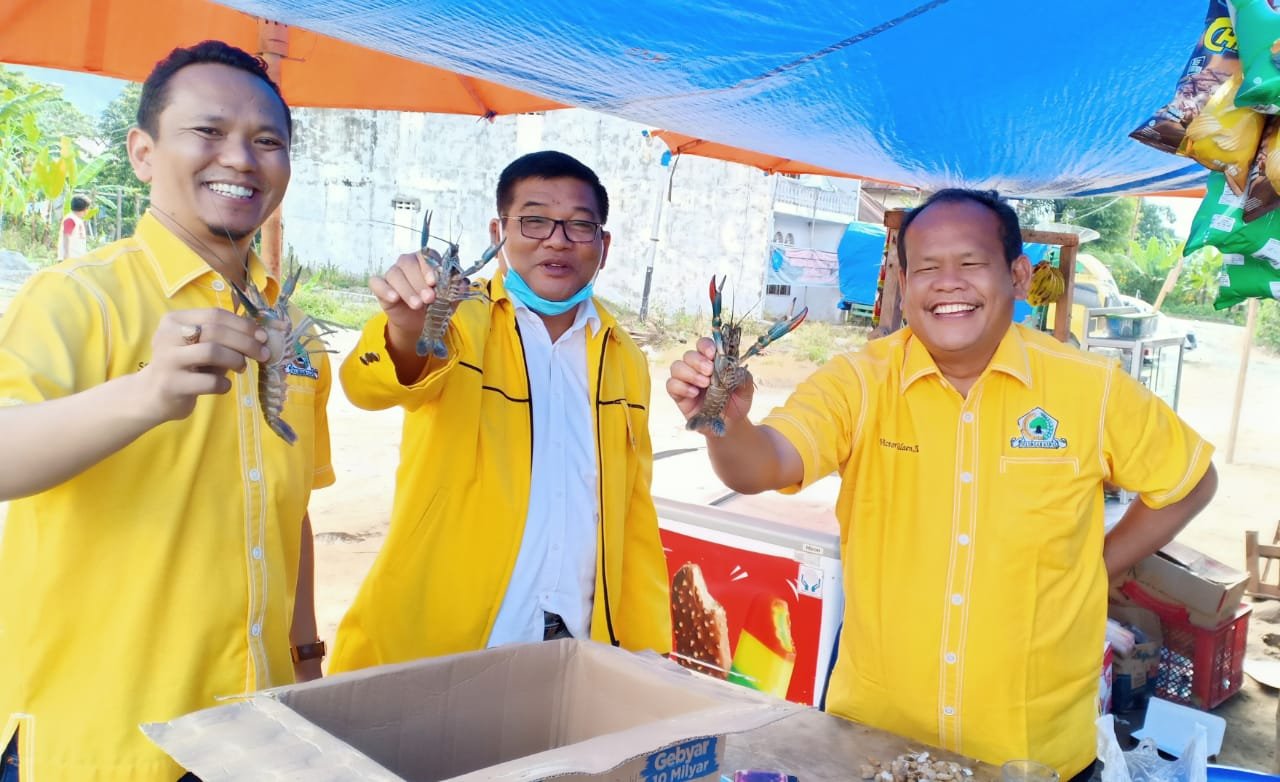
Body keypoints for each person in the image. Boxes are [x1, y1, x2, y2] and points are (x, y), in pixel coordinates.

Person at [666, 189, 1217, 779]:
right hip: (875, 743)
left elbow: (1189, 481)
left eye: (971, 264)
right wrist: (725, 421)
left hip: (1033, 754)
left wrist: (1098, 564)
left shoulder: (1092, 388)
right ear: (903, 283)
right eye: (926, 267)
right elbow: (762, 465)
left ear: (1019, 275)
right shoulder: (859, 381)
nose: (947, 283)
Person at [0, 41, 334, 781]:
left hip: (255, 728)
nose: (241, 158)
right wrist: (146, 394)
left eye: (267, 140)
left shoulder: (294, 327)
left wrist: (306, 661)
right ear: (143, 152)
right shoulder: (77, 297)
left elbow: (292, 504)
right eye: (209, 132)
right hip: (102, 734)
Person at [328, 150, 671, 672]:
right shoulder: (462, 321)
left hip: (577, 648)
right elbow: (369, 385)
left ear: (604, 246)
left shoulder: (626, 358)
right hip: (445, 648)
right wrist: (404, 328)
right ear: (498, 231)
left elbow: (633, 515)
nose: (556, 240)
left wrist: (648, 647)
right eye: (534, 220)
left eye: (580, 226)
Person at [57, 194, 91, 260]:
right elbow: (66, 236)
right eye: (87, 208)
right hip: (69, 258)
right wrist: (66, 255)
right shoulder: (70, 219)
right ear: (84, 209)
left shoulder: (77, 219)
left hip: (76, 258)